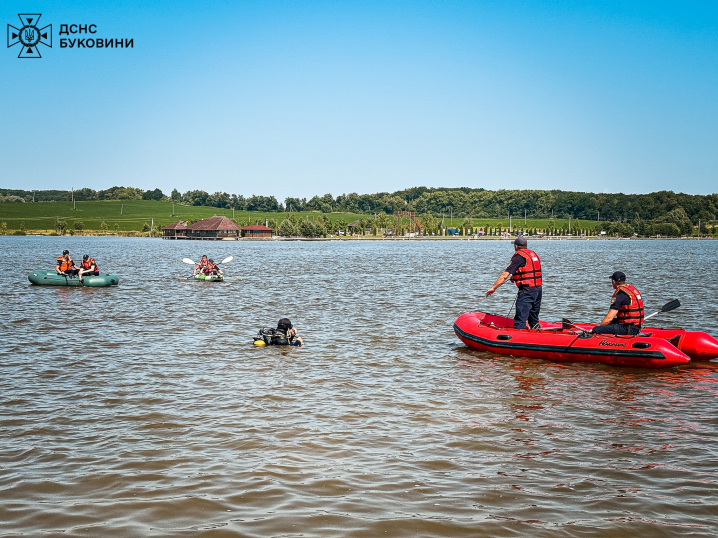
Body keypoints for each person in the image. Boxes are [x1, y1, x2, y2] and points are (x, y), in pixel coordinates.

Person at [485, 235, 542, 329]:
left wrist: (493, 288)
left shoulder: (518, 257)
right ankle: (537, 336)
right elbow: (529, 271)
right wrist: (515, 277)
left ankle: (520, 338)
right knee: (533, 319)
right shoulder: (533, 254)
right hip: (538, 290)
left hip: (526, 291)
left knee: (520, 318)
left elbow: (504, 275)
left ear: (516, 246)